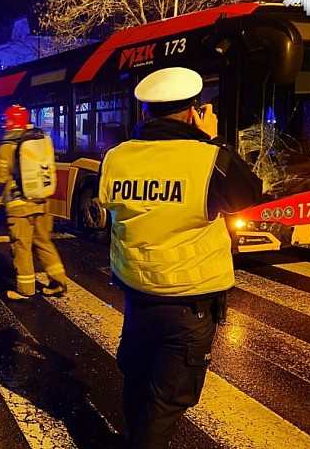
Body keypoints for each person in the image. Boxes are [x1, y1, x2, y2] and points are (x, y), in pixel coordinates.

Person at [98, 67, 263, 448]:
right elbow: (248, 195)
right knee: (166, 401)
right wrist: (215, 139)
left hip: (138, 297)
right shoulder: (208, 159)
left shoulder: (116, 158)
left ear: (145, 113)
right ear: (193, 112)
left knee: (137, 384)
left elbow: (112, 207)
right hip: (189, 304)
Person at [0, 104, 70, 301]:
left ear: (9, 123)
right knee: (43, 242)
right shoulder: (39, 140)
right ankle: (58, 282)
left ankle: (25, 290)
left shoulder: (6, 147)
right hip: (41, 203)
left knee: (21, 246)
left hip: (19, 208)